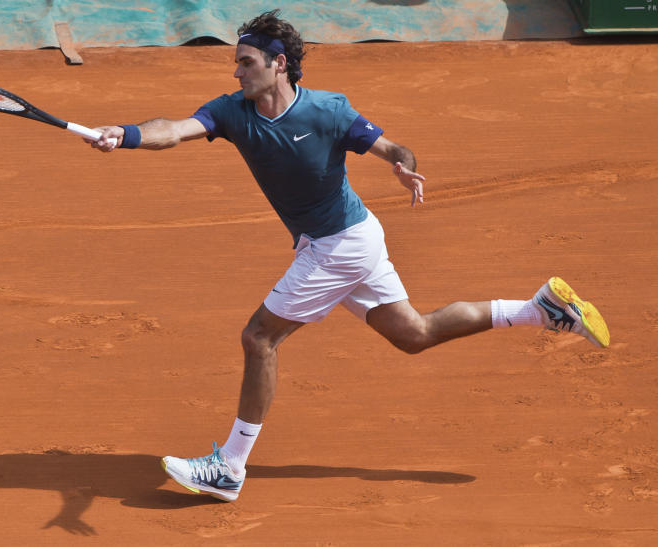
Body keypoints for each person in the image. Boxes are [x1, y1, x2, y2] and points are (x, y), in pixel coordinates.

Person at [87, 10, 610, 502]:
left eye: (247, 61)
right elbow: (174, 130)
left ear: (278, 64)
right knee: (414, 334)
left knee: (259, 337)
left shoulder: (329, 110)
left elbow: (394, 148)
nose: (237, 70)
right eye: (237, 61)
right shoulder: (231, 111)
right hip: (344, 240)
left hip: (344, 243)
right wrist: (126, 134)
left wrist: (403, 166)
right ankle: (540, 310)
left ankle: (229, 468)